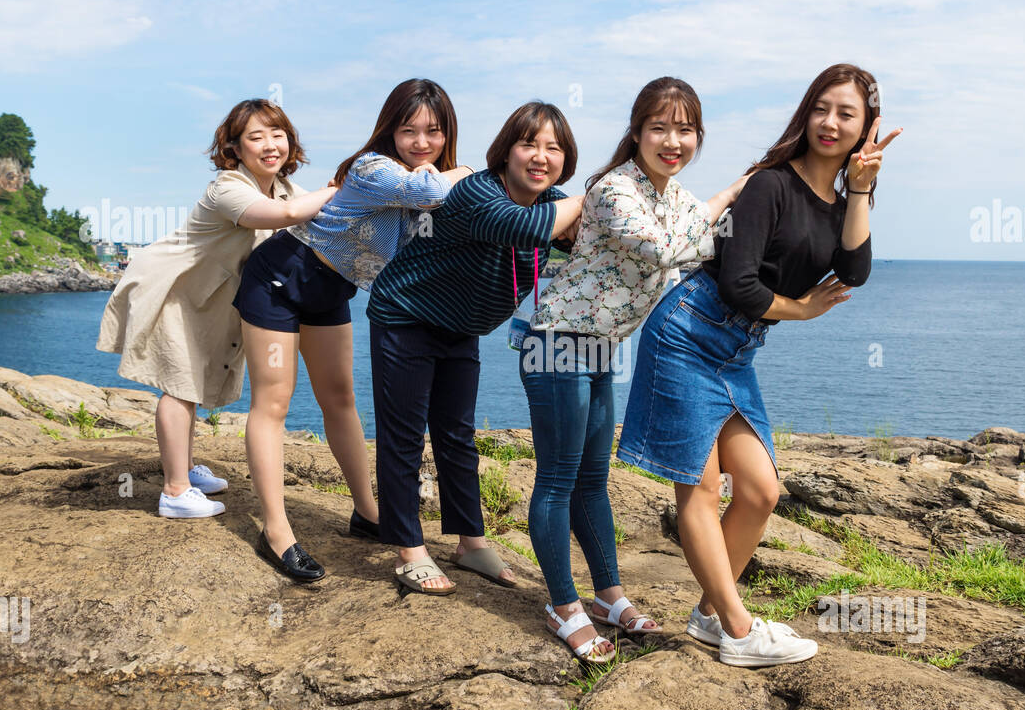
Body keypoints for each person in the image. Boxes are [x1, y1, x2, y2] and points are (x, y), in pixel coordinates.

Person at [617, 63, 901, 667]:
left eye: (847, 114)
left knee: (761, 491)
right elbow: (742, 285)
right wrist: (798, 310)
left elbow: (853, 271)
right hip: (689, 332)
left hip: (738, 352)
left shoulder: (843, 198)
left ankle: (707, 615)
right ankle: (740, 630)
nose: (831, 123)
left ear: (865, 127)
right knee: (699, 486)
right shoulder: (770, 184)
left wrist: (861, 189)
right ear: (806, 111)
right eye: (822, 108)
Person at [521, 76, 751, 662]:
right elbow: (666, 249)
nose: (672, 141)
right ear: (637, 132)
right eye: (659, 128)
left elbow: (699, 233)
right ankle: (562, 606)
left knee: (592, 481)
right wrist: (727, 197)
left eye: (685, 129)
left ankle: (607, 596)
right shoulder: (613, 190)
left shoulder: (673, 196)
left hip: (600, 349)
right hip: (556, 346)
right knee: (557, 478)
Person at [232, 80, 472, 582]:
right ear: (390, 130)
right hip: (281, 277)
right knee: (273, 403)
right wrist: (468, 169)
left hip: (330, 289)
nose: (421, 142)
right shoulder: (374, 167)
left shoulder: (422, 181)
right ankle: (276, 531)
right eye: (409, 130)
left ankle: (367, 512)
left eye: (434, 131)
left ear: (447, 133)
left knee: (340, 399)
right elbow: (431, 190)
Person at [367, 101, 584, 595]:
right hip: (407, 316)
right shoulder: (478, 193)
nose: (540, 157)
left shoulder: (554, 203)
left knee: (456, 435)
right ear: (505, 150)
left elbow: (583, 238)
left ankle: (470, 541)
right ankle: (409, 548)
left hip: (459, 327)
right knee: (404, 437)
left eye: (554, 148)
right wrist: (594, 197)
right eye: (529, 143)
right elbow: (527, 230)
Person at [97, 99, 335, 521]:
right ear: (235, 148)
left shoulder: (284, 187)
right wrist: (339, 189)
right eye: (255, 137)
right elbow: (286, 216)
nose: (269, 145)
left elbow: (316, 215)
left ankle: (184, 468)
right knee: (181, 385)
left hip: (210, 297)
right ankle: (174, 491)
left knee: (196, 381)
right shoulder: (228, 187)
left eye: (277, 135)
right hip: (177, 290)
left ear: (290, 142)